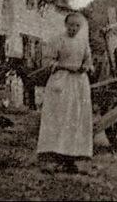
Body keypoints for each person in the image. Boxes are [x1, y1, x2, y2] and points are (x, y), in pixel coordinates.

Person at [37, 11, 94, 174]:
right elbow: (48, 62)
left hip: (79, 84)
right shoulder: (58, 40)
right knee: (59, 117)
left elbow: (88, 61)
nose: (74, 28)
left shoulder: (83, 42)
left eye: (77, 25)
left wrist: (86, 67)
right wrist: (64, 66)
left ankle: (72, 159)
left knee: (75, 119)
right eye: (71, 25)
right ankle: (53, 158)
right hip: (61, 82)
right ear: (65, 24)